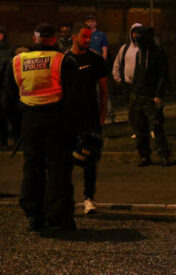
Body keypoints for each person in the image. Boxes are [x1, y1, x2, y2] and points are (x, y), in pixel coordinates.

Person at [10, 24, 78, 232]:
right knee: (58, 168)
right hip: (57, 121)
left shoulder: (18, 61)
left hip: (29, 121)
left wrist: (15, 129)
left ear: (35, 37)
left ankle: (34, 215)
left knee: (32, 167)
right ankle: (57, 216)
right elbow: (74, 98)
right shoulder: (63, 60)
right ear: (54, 38)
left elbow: (8, 99)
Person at [64, 23, 109, 216]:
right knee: (65, 159)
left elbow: (104, 90)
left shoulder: (95, 60)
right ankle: (66, 198)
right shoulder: (64, 59)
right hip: (68, 117)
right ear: (74, 37)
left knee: (89, 159)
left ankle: (89, 198)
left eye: (89, 37)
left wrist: (102, 116)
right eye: (84, 36)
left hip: (89, 116)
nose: (88, 40)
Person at [114, 25, 171, 167]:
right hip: (137, 94)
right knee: (139, 127)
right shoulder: (140, 53)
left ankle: (164, 154)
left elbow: (162, 75)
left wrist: (159, 94)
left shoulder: (157, 52)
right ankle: (145, 156)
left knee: (157, 127)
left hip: (151, 96)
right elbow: (137, 74)